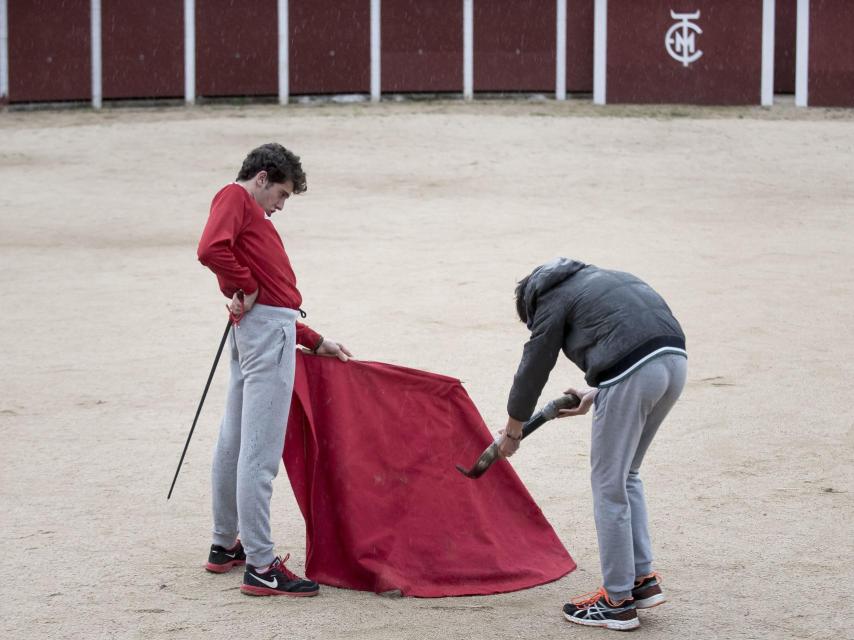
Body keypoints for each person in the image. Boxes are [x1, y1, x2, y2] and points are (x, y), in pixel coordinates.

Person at [498, 257, 687, 631]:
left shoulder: (550, 298)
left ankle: (617, 601)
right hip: (674, 363)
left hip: (632, 372)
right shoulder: (612, 276)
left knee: (608, 485)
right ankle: (641, 580)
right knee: (627, 474)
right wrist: (597, 392)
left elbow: (534, 365)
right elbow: (638, 337)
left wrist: (512, 430)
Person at [196, 143, 351, 597]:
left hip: (262, 329)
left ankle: (226, 545)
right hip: (266, 334)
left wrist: (314, 339)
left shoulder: (240, 207)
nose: (280, 207)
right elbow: (211, 250)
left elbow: (267, 296)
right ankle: (262, 566)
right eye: (281, 195)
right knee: (258, 452)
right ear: (261, 178)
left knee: (235, 440)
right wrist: (243, 284)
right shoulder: (237, 198)